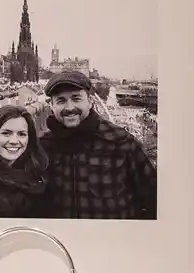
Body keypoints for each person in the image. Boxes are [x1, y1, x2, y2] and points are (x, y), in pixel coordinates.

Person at [38, 69, 155, 219]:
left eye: (76, 98)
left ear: (90, 102)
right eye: (61, 101)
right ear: (51, 106)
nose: (69, 107)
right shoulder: (43, 147)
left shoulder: (120, 142)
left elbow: (154, 199)